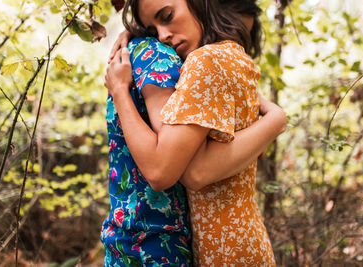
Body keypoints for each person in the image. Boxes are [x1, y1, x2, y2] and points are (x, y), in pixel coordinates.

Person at [104, 0, 286, 266]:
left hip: (228, 251)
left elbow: (190, 172)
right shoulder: (229, 58)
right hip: (238, 242)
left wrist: (120, 90)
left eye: (167, 16)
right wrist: (133, 33)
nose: (163, 36)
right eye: (153, 31)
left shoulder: (206, 61)